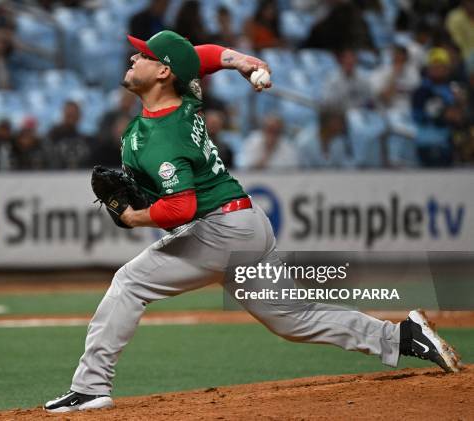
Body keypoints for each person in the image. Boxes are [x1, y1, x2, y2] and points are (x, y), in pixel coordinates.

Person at [43, 30, 462, 414]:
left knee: (129, 283)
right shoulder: (184, 97)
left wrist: (134, 217)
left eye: (145, 54)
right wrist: (239, 60)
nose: (134, 56)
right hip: (245, 222)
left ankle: (90, 386)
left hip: (219, 230)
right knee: (293, 319)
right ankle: (403, 337)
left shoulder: (162, 138)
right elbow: (197, 57)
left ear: (163, 72)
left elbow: (182, 208)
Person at [412, 48, 464, 167]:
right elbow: (418, 117)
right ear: (428, 69)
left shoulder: (453, 90)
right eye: (434, 67)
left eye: (441, 67)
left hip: (449, 143)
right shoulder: (421, 91)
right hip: (428, 144)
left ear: (447, 69)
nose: (438, 70)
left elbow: (460, 119)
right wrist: (442, 116)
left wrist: (460, 106)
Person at [370, 45, 421, 112]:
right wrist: (394, 76)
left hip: (408, 112)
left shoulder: (413, 73)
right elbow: (385, 98)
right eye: (396, 58)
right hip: (386, 112)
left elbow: (418, 96)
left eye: (403, 59)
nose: (399, 62)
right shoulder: (379, 73)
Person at [44, 101, 92, 169]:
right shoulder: (53, 135)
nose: (72, 117)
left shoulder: (85, 139)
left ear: (79, 116)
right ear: (63, 114)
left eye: (74, 114)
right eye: (69, 114)